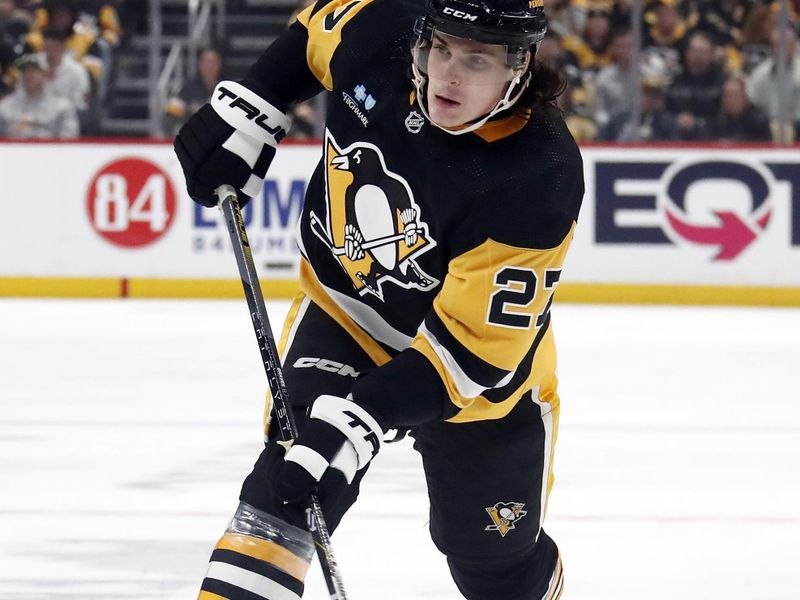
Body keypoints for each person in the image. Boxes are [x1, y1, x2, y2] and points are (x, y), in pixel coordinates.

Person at [174, 0, 583, 598]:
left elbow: (470, 357)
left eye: (475, 60)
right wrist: (256, 99)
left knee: (492, 565)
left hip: (470, 383)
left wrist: (362, 416)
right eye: (440, 49)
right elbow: (313, 34)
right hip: (346, 314)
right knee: (286, 492)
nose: (447, 75)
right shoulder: (379, 32)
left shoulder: (539, 173)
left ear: (518, 67)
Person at [0, 51, 77, 137]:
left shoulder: (62, 108)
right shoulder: (4, 107)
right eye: (25, 71)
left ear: (46, 75)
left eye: (35, 71)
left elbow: (70, 140)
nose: (29, 75)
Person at [164, 46, 223, 136]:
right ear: (200, 64)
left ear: (219, 64)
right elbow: (171, 113)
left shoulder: (227, 89)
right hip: (194, 137)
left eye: (213, 62)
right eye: (207, 62)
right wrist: (187, 111)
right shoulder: (188, 88)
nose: (210, 66)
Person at [711, 76, 771, 141]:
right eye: (726, 96)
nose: (730, 100)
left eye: (734, 96)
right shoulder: (717, 119)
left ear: (744, 97)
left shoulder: (759, 120)